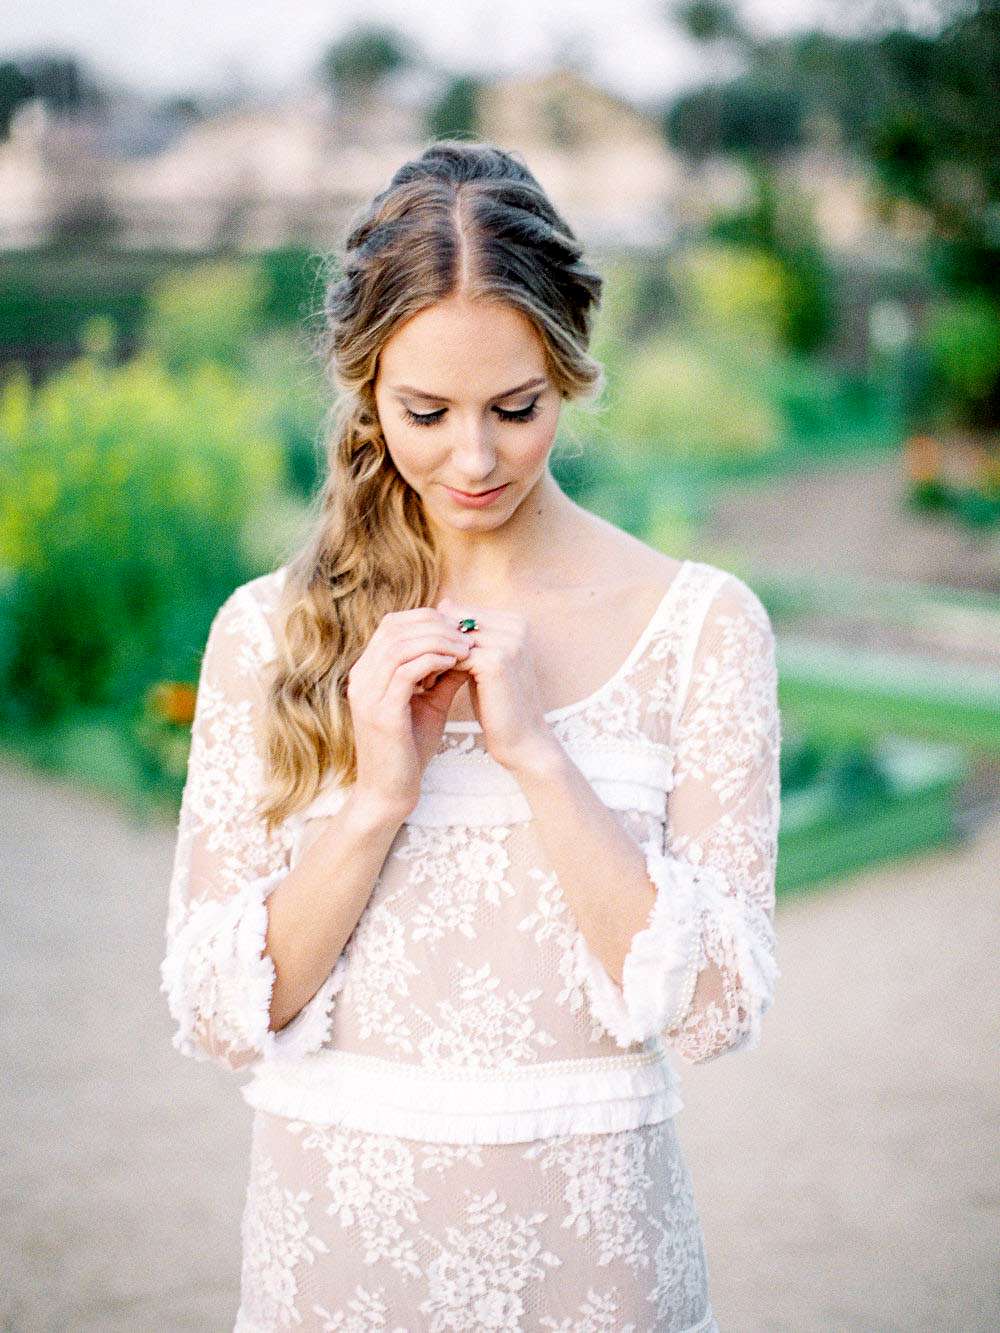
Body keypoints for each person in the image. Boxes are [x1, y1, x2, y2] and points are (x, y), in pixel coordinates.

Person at [159, 139, 782, 1332]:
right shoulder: (265, 632)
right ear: (364, 386)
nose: (476, 457)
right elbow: (216, 1011)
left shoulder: (701, 627)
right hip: (337, 1269)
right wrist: (376, 799)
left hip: (596, 1279)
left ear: (571, 372)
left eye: (516, 407)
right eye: (426, 413)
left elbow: (710, 1011)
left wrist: (542, 761)